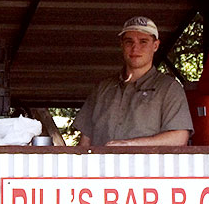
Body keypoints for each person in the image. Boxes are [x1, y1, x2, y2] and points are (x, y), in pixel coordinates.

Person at [74, 16, 192, 147]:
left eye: (143, 42)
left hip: (148, 167)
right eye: (129, 42)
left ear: (155, 45)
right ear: (122, 45)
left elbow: (179, 138)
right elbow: (85, 141)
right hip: (102, 167)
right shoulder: (102, 88)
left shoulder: (169, 88)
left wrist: (129, 145)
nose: (135, 48)